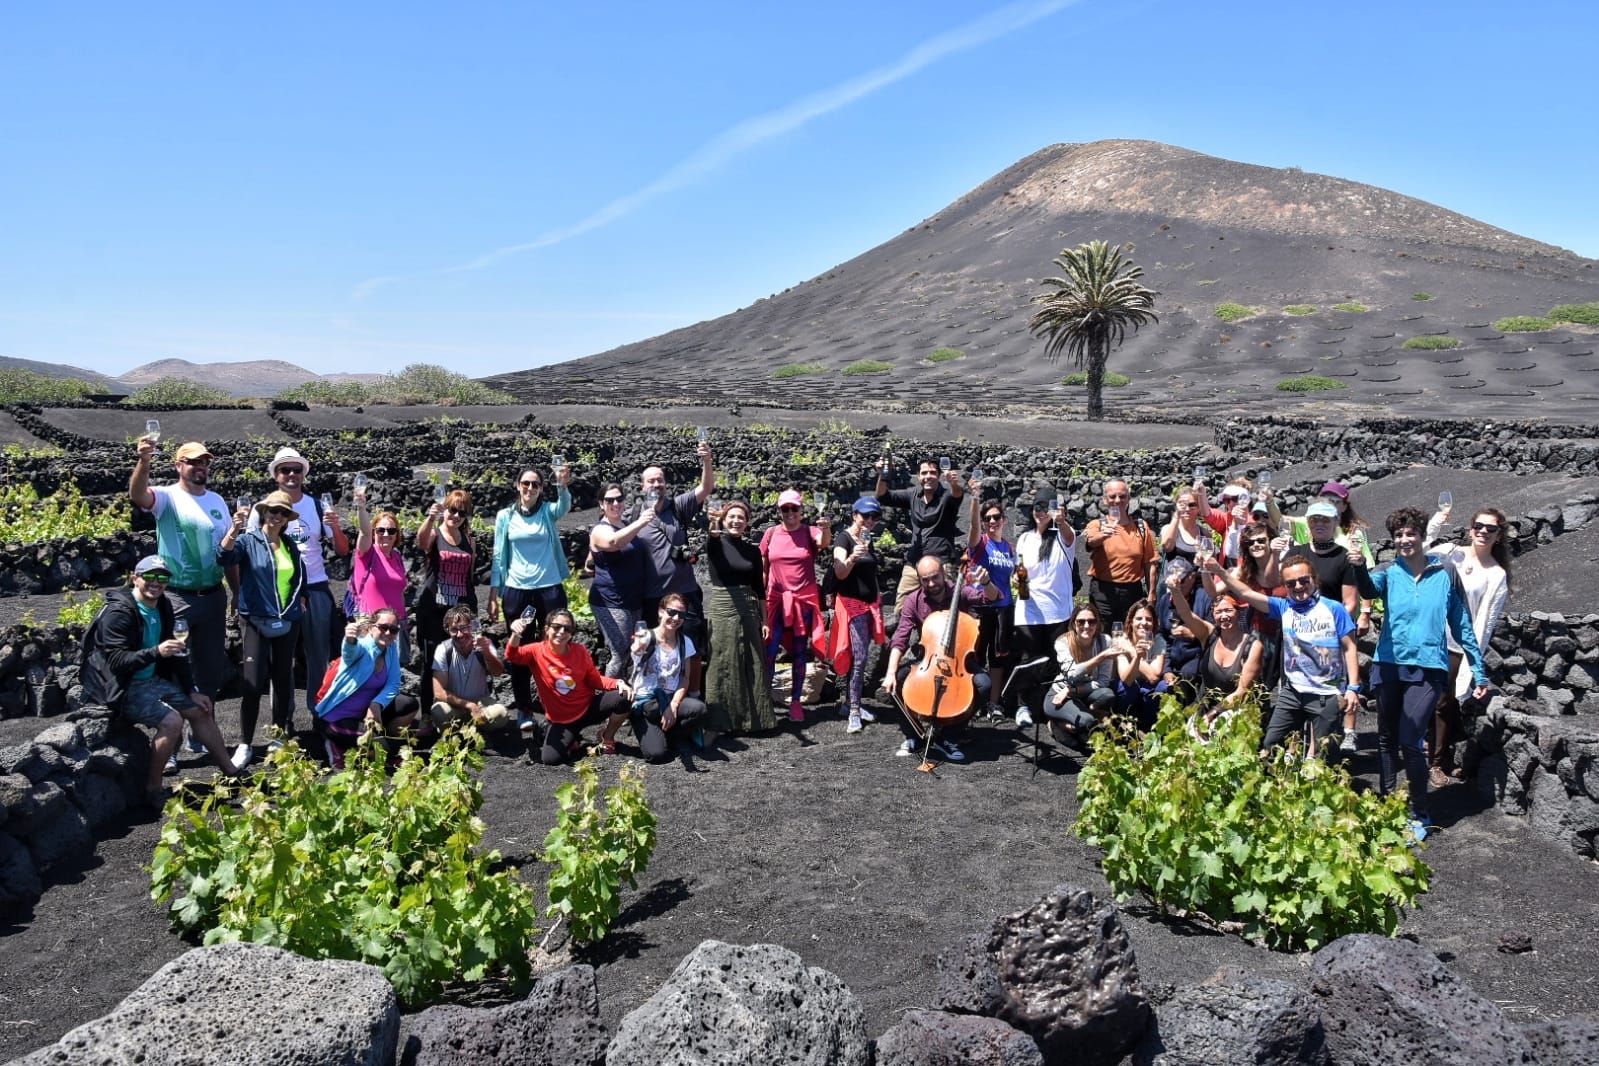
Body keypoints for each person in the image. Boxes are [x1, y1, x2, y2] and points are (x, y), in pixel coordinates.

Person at [1351, 507, 1491, 839]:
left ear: (1421, 536)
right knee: (1386, 739)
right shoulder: (1387, 571)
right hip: (1389, 665)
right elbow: (1369, 591)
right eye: (1398, 535)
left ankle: (1419, 811)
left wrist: (1478, 668)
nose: (1404, 539)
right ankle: (1387, 804)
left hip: (1429, 668)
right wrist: (1357, 568)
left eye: (1410, 533)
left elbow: (1461, 624)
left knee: (1409, 739)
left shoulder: (1444, 572)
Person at [80, 556, 239, 805]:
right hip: (122, 686)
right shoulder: (119, 613)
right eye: (150, 577)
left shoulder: (162, 605)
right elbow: (117, 662)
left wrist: (190, 690)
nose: (156, 582)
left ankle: (231, 772)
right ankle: (153, 789)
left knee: (201, 707)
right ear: (135, 578)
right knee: (172, 722)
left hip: (149, 679)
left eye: (163, 578)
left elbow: (176, 655)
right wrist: (157, 652)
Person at [1207, 554, 1360, 756]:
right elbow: (1245, 592)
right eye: (1290, 583)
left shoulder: (1334, 609)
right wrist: (1218, 570)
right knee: (1271, 744)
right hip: (1293, 692)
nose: (1298, 586)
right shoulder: (1284, 607)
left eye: (1304, 580)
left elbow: (1350, 648)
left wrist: (1353, 688)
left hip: (1327, 693)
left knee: (1322, 756)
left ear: (1315, 579)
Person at [127, 437, 234, 713]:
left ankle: (200, 732)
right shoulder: (167, 497)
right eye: (193, 462)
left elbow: (228, 550)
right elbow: (138, 495)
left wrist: (237, 591)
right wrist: (144, 460)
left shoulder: (218, 501)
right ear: (178, 465)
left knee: (209, 668)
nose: (200, 466)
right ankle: (172, 741)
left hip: (213, 595)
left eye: (204, 462)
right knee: (175, 664)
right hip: (177, 597)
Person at [251, 446, 350, 719]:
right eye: (285, 470)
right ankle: (282, 718)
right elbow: (249, 549)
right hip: (277, 591)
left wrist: (336, 526)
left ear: (303, 474)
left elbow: (342, 550)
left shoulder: (318, 506)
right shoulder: (263, 509)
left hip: (316, 586)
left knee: (319, 653)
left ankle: (318, 710)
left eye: (297, 469)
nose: (292, 474)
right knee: (280, 659)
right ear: (276, 475)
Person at [881, 555, 1001, 763]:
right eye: (925, 579)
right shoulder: (914, 600)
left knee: (983, 684)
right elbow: (900, 638)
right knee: (896, 682)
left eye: (935, 577)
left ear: (943, 573)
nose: (931, 584)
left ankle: (949, 736)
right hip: (928, 660)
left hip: (959, 660)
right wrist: (890, 672)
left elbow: (992, 598)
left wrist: (986, 583)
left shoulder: (959, 591)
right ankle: (915, 735)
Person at [217, 491, 307, 768]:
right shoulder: (248, 540)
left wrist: (300, 601)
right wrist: (234, 529)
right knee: (253, 683)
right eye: (271, 510)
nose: (276, 515)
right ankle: (245, 743)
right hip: (255, 619)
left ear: (286, 518)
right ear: (264, 512)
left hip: (286, 620)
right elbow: (223, 557)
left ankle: (278, 739)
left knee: (282, 680)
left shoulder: (290, 544)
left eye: (281, 512)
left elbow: (297, 577)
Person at [1425, 505, 1512, 785]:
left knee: (1443, 703)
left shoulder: (1496, 575)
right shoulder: (1450, 551)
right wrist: (1437, 523)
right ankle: (1426, 751)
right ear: (1470, 528)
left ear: (1499, 535)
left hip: (1456, 646)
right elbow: (1418, 551)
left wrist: (1474, 662)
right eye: (1479, 526)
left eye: (1491, 529)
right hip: (1428, 636)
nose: (1483, 532)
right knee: (1420, 697)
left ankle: (1437, 762)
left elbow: (1485, 622)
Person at [488, 465, 573, 732]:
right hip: (517, 590)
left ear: (541, 489)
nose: (530, 488)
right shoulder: (505, 516)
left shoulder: (548, 511)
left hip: (549, 589)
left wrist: (562, 484)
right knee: (521, 650)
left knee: (556, 646)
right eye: (526, 483)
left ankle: (556, 705)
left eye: (535, 484)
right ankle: (524, 709)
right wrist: (494, 591)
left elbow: (564, 506)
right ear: (517, 485)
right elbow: (499, 555)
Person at [1282, 501, 1364, 748]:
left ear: (1335, 523)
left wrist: (1326, 627)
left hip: (1332, 632)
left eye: (1325, 520)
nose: (1319, 524)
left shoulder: (1344, 558)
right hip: (1298, 634)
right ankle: (1298, 748)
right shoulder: (1295, 555)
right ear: (1308, 523)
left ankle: (1338, 738)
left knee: (1330, 693)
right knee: (1299, 692)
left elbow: (1349, 602)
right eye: (1315, 520)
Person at [506, 608, 631, 764]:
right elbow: (512, 655)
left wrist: (617, 682)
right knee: (550, 759)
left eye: (567, 628)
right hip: (562, 721)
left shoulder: (580, 651)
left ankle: (607, 736)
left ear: (572, 633)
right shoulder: (536, 651)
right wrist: (516, 634)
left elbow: (594, 680)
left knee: (624, 696)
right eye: (556, 627)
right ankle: (571, 739)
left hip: (588, 708)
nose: (561, 632)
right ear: (546, 629)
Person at [313, 608, 419, 770]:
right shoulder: (362, 647)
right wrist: (349, 640)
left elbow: (394, 684)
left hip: (365, 713)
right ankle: (337, 745)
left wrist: (376, 704)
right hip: (336, 719)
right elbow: (350, 653)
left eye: (393, 629)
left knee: (409, 704)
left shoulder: (390, 649)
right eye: (383, 627)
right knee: (382, 750)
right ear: (371, 628)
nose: (388, 632)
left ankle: (378, 742)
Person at [633, 440, 715, 647]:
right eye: (650, 481)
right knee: (656, 647)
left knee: (692, 646)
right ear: (642, 486)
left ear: (665, 484)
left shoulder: (678, 506)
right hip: (652, 595)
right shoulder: (633, 515)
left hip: (684, 590)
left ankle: (692, 681)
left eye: (659, 480)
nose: (656, 485)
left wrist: (706, 459)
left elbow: (706, 488)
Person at [761, 490, 832, 723]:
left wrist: (826, 527)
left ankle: (795, 702)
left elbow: (823, 542)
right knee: (770, 651)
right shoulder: (770, 534)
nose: (790, 513)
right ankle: (764, 700)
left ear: (802, 510)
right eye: (785, 509)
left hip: (801, 601)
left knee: (799, 652)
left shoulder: (810, 531)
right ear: (779, 511)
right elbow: (764, 568)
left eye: (794, 508)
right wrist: (761, 597)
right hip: (777, 600)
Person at [703, 499, 771, 735]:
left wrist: (765, 619)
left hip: (748, 610)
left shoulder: (753, 551)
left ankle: (755, 721)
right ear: (723, 519)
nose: (736, 521)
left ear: (747, 522)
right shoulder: (715, 544)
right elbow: (712, 534)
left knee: (752, 662)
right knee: (721, 664)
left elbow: (760, 589)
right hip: (721, 608)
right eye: (731, 516)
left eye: (740, 517)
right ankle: (720, 722)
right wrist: (712, 522)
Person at [1011, 489, 1077, 729]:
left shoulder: (1063, 537)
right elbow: (1019, 570)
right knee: (1029, 660)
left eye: (1045, 507)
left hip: (1057, 611)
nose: (1041, 512)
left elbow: (1070, 536)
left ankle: (1052, 708)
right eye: (1037, 507)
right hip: (1028, 609)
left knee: (1057, 661)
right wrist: (1017, 581)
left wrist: (1061, 520)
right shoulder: (1025, 538)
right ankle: (1023, 706)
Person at [828, 497, 888, 734]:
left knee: (857, 656)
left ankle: (848, 703)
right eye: (866, 516)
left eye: (875, 517)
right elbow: (840, 572)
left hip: (867, 605)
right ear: (854, 515)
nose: (870, 521)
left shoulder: (867, 539)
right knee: (860, 656)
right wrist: (853, 556)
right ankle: (854, 710)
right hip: (852, 607)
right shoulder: (844, 538)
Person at [415, 488, 479, 712]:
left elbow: (469, 578)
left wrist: (474, 616)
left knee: (458, 661)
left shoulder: (469, 541)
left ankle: (455, 712)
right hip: (433, 611)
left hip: (459, 614)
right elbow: (422, 542)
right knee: (430, 662)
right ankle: (426, 714)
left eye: (462, 513)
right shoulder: (435, 534)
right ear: (445, 509)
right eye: (452, 510)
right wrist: (431, 517)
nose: (456, 516)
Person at [629, 592, 711, 762]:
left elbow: (685, 678)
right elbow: (637, 651)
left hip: (670, 697)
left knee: (699, 709)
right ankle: (652, 727)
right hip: (648, 702)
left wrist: (673, 704)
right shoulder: (647, 637)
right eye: (672, 612)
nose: (676, 618)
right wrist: (638, 646)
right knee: (656, 755)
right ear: (660, 611)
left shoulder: (684, 641)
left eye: (681, 614)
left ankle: (671, 732)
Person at [1165, 574, 1263, 713]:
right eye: (1219, 612)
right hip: (1205, 707)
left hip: (1237, 712)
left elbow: (1242, 693)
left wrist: (1213, 715)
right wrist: (1175, 591)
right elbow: (1187, 615)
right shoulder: (1209, 635)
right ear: (1213, 615)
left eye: (1228, 610)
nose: (1224, 616)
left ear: (1238, 612)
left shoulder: (1252, 646)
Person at [875, 456, 966, 605]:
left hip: (941, 562)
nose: (928, 476)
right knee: (902, 605)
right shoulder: (913, 495)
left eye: (932, 472)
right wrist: (883, 475)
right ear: (918, 476)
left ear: (939, 475)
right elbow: (883, 496)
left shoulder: (946, 497)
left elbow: (957, 496)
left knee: (946, 608)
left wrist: (954, 484)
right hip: (915, 561)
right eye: (924, 473)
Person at [588, 481, 653, 678]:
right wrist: (642, 521)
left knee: (636, 649)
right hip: (611, 601)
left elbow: (592, 557)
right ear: (601, 504)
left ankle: (628, 696)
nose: (615, 503)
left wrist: (590, 561)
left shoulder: (625, 525)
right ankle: (612, 698)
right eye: (609, 500)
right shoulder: (601, 529)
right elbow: (612, 542)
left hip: (633, 598)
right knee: (620, 652)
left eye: (619, 499)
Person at [965, 482, 1017, 722]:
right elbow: (973, 526)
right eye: (988, 518)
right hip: (980, 607)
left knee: (998, 658)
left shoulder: (1009, 548)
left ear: (1004, 519)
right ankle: (971, 702)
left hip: (1003, 608)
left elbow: (1014, 577)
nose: (992, 521)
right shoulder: (980, 542)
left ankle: (994, 704)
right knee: (973, 656)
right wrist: (975, 499)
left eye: (996, 517)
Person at [1044, 604, 1125, 743]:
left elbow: (1103, 681)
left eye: (1091, 621)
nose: (1086, 626)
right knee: (1086, 722)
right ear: (1074, 623)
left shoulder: (1104, 641)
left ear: (1097, 623)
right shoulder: (1063, 642)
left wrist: (1071, 690)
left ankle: (1085, 722)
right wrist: (1101, 657)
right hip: (1059, 695)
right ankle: (1057, 724)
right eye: (1081, 621)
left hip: (1074, 692)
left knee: (1108, 695)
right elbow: (1072, 675)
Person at [1084, 479, 1158, 630]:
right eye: (1112, 496)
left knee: (1131, 634)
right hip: (1103, 592)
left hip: (1132, 592)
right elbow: (1091, 542)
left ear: (1129, 499)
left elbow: (1150, 563)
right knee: (1103, 635)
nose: (1117, 500)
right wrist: (1103, 535)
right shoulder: (1097, 525)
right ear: (1105, 500)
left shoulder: (1141, 527)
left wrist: (1151, 594)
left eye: (1122, 496)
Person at [429, 604, 510, 732]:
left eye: (464, 628)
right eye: (454, 630)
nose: (460, 634)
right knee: (439, 712)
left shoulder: (484, 644)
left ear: (472, 627)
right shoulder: (444, 649)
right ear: (448, 630)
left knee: (501, 714)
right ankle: (458, 732)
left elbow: (498, 672)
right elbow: (439, 693)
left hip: (480, 702)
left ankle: (475, 730)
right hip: (454, 705)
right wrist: (469, 705)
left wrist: (486, 652)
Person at [349, 496, 409, 665]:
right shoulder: (367, 553)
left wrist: (403, 621)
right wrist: (361, 507)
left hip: (395, 626)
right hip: (370, 625)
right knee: (368, 675)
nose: (386, 534)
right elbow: (364, 531)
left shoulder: (396, 556)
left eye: (391, 531)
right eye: (381, 530)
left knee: (392, 677)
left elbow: (399, 591)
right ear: (374, 531)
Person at [1155, 557, 1212, 695]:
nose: (1176, 585)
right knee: (1160, 690)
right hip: (1172, 659)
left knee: (1188, 676)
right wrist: (1166, 669)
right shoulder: (1164, 601)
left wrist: (1193, 635)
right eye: (1171, 581)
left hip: (1197, 657)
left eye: (1180, 580)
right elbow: (1162, 637)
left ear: (1192, 577)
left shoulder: (1204, 598)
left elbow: (1215, 635)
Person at [1115, 600, 1168, 729]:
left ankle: (1149, 726)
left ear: (1154, 623)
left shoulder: (1158, 641)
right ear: (1131, 622)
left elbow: (1154, 677)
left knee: (1162, 687)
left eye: (1148, 619)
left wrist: (1134, 654)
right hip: (1129, 686)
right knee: (1126, 688)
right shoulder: (1122, 640)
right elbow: (1126, 678)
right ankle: (1122, 723)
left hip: (1148, 686)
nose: (1144, 623)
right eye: (1139, 618)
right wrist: (1137, 657)